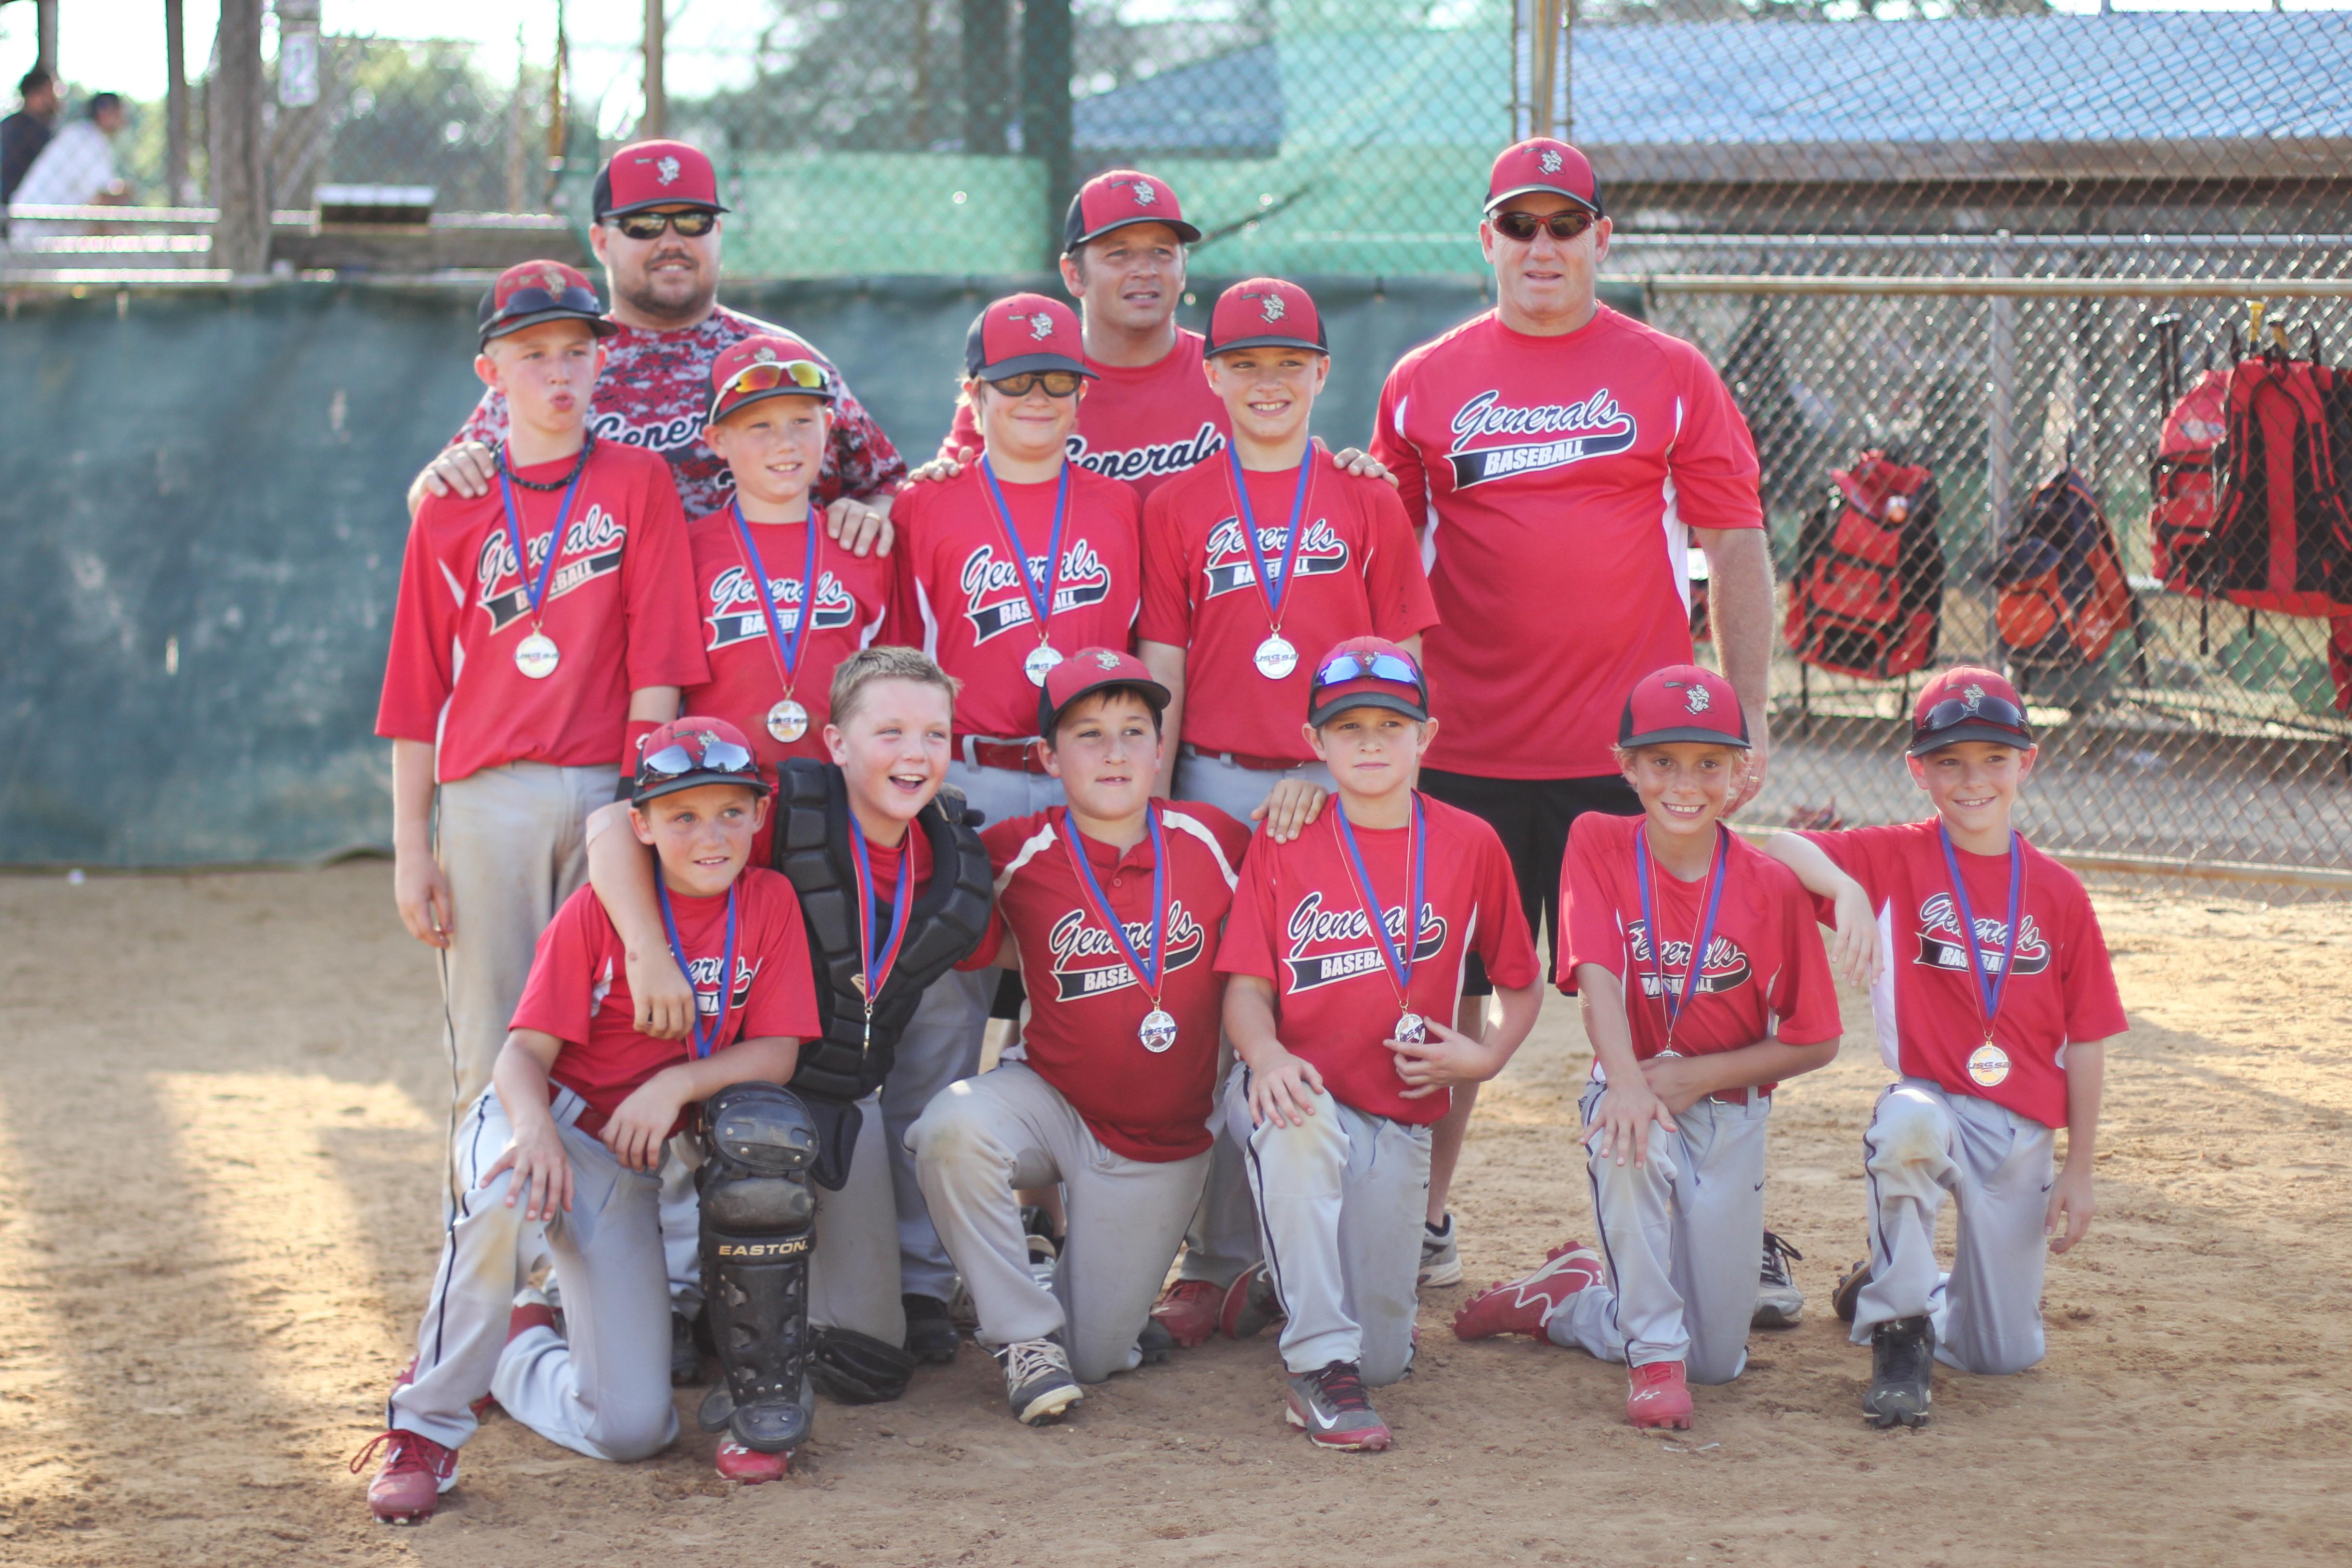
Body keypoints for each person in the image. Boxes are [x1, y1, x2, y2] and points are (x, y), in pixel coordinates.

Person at [1368, 137, 1778, 1297]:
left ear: (1601, 239)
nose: (1539, 246)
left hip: (1635, 760)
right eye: (1518, 225)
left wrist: (1742, 714)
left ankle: (1714, 1225)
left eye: (1563, 225)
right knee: (1429, 998)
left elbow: (1733, 543)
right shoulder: (1423, 380)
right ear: (1485, 241)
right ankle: (1421, 1219)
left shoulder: (1668, 372)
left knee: (1677, 990)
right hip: (1466, 757)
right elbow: (1379, 560)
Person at [358, 717, 820, 1522]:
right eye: (682, 816)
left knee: (633, 1427)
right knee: (507, 1192)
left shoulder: (769, 900)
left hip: (621, 1160)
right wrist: (533, 1131)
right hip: (545, 1118)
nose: (710, 835)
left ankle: (516, 1349)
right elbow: (518, 1057)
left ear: (758, 815)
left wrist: (676, 1082)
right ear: (639, 825)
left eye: (731, 812)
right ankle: (425, 1428)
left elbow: (776, 1052)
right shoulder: (598, 912)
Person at [1136, 276, 1439, 1345]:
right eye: (1245, 366)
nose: (1269, 384)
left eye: (1289, 366)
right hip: (1216, 782)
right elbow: (1162, 669)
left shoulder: (1365, 499)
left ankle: (1318, 1249)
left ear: (1322, 374)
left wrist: (1378, 792)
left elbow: (1400, 665)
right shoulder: (1174, 503)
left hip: (1344, 781)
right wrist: (1156, 809)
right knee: (1224, 1018)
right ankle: (1218, 1260)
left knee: (1334, 1001)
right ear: (1210, 374)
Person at [1449, 664, 1853, 1430]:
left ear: (1742, 773)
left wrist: (1697, 1076)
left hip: (1728, 1111)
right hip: (1633, 1086)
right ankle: (1653, 1360)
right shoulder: (1597, 840)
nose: (1685, 784)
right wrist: (1631, 1083)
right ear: (1625, 765)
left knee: (1720, 1362)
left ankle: (1569, 1299)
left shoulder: (1768, 885)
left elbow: (1817, 1038)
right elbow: (1596, 977)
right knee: (1623, 1130)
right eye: (1662, 761)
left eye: (1710, 764)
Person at [585, 646, 995, 1396]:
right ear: (836, 743)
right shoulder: (789, 808)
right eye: (890, 732)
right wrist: (645, 949)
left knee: (869, 1360)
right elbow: (613, 823)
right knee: (755, 1134)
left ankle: (749, 1303)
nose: (916, 753)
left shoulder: (955, 859)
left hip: (840, 1099)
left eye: (935, 735)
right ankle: (685, 1301)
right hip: (728, 1090)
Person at [376, 259, 705, 1128]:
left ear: (602, 359)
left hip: (608, 784)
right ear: (490, 372)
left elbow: (658, 665)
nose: (558, 374)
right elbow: (416, 690)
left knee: (607, 1034)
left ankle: (583, 1267)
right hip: (490, 794)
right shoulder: (454, 502)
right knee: (490, 1043)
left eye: (575, 351)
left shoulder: (638, 482)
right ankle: (486, 1263)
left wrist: (641, 806)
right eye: (532, 355)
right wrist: (412, 846)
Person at [877, 290, 1144, 1351]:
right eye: (1013, 380)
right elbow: (896, 661)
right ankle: (919, 1269)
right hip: (973, 781)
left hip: (1090, 777)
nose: (1037, 397)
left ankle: (1073, 1249)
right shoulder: (922, 506)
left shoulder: (1125, 502)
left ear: (1084, 393)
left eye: (1058, 379)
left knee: (1083, 1008)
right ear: (972, 395)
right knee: (941, 1017)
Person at [1764, 667, 2125, 1428]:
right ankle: (1899, 1330)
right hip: (1930, 1099)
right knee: (1907, 1125)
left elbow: (2087, 1037)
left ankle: (1899, 1280)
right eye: (1950, 761)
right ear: (1918, 770)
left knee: (2001, 1357)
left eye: (1994, 758)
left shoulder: (2058, 892)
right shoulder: (1899, 858)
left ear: (2027, 762)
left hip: (2019, 1129)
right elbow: (1778, 843)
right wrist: (1850, 890)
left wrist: (2080, 1167)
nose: (1972, 780)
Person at [909, 650, 1260, 1423]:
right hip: (1051, 1103)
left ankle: (1049, 1298)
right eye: (1089, 734)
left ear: (1162, 748)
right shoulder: (1014, 851)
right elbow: (954, 930)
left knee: (1097, 1359)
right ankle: (1021, 1334)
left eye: (1135, 731)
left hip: (1159, 1143)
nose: (1114, 752)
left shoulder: (1215, 840)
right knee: (950, 1129)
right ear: (1048, 755)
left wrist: (1304, 794)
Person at [1215, 638, 1541, 1451]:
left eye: (1391, 723)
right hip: (1299, 1088)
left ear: (1425, 738)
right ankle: (1318, 1370)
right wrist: (1267, 1056)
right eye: (1347, 725)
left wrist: (1488, 1057)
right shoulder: (1287, 837)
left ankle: (1286, 1279)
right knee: (1292, 1117)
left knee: (1389, 1359)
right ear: (1315, 741)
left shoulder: (1469, 842)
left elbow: (1521, 981)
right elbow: (1247, 991)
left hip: (1398, 1115)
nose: (1368, 741)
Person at [412, 139, 902, 552]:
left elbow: (890, 485)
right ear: (601, 241)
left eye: (693, 221)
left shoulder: (778, 358)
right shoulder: (569, 360)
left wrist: (871, 512)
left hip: (761, 631)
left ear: (719, 232)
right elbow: (430, 501)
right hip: (602, 640)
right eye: (643, 225)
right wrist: (448, 474)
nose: (671, 241)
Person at [923, 168, 1390, 500]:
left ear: (1183, 269)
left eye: (1162, 252)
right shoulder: (1029, 386)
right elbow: (954, 490)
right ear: (1073, 275)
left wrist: (1349, 474)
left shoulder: (1229, 374)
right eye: (1119, 253)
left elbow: (1297, 484)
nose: (1144, 270)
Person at [6, 90, 126, 242]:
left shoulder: (81, 134)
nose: (124, 120)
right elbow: (103, 196)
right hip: (41, 231)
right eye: (120, 112)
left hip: (33, 227)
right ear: (106, 112)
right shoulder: (88, 138)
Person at [0, 69, 59, 217]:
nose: (56, 100)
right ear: (35, 94)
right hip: (21, 212)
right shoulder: (33, 132)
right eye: (51, 93)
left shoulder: (7, 125)